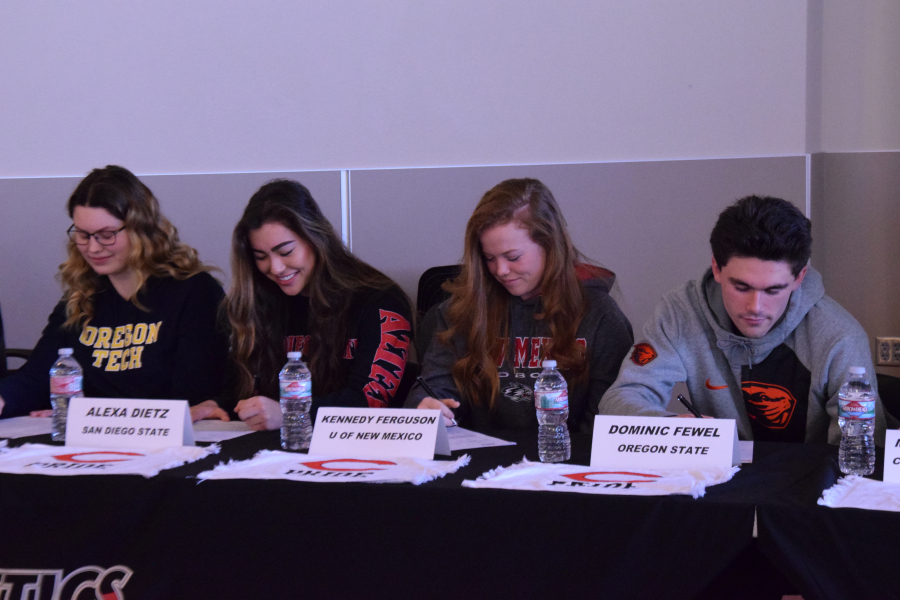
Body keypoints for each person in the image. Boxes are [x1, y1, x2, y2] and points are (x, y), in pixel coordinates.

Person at [599, 195, 895, 444]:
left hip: (806, 494)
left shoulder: (839, 336)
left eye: (773, 290)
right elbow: (621, 398)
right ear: (716, 268)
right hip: (718, 489)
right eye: (741, 287)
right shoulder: (679, 313)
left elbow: (864, 451)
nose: (755, 306)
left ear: (799, 278)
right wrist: (673, 429)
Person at [0, 165, 229, 420]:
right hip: (96, 441)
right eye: (83, 235)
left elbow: (192, 398)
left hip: (169, 443)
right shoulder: (80, 297)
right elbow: (37, 377)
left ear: (140, 228)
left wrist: (94, 415)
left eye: (107, 235)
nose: (93, 248)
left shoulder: (195, 292)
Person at [405, 178, 634, 432]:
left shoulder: (600, 316)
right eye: (489, 258)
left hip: (566, 461)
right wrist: (424, 408)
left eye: (513, 257)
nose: (500, 271)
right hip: (479, 462)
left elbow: (606, 423)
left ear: (550, 245)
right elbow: (432, 390)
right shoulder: (461, 311)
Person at [210, 179, 413, 431]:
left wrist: (290, 414)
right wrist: (216, 406)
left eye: (285, 252)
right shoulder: (257, 300)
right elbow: (245, 394)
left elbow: (370, 402)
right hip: (272, 449)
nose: (275, 268)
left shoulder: (378, 300)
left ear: (316, 239)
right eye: (260, 257)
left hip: (359, 448)